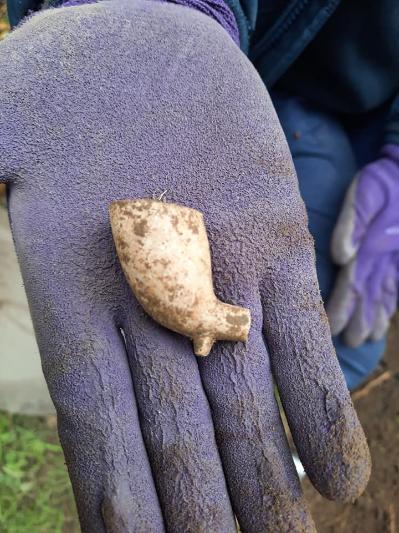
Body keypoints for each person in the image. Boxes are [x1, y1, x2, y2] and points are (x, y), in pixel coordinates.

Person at [0, 0, 392, 530]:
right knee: (76, 340)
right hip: (223, 60)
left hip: (354, 116)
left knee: (334, 338)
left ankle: (281, 440)